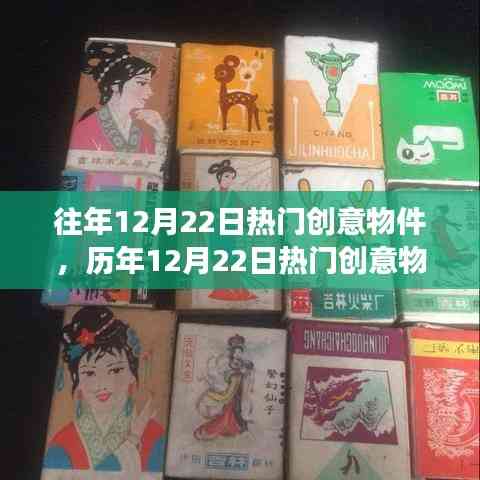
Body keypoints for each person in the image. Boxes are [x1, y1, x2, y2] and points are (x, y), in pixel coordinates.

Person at [44, 307, 164, 473]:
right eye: (89, 373)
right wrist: (133, 439)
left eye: (115, 370)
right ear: (77, 381)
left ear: (132, 373)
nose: (102, 384)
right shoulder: (61, 446)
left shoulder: (155, 438)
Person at [69, 41, 167, 154]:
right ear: (114, 85)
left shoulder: (140, 129)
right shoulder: (86, 128)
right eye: (141, 83)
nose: (150, 92)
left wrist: (160, 132)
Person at [207, 159, 258, 301]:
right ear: (219, 177)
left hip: (229, 232)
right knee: (218, 259)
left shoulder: (233, 195)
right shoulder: (212, 193)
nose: (229, 180)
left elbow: (243, 209)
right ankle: (220, 290)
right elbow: (202, 209)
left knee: (230, 259)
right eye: (226, 176)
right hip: (215, 232)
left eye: (231, 178)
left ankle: (236, 289)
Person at [194, 334, 255, 440]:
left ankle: (240, 427)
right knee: (230, 409)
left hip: (239, 388)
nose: (238, 354)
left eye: (240, 352)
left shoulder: (243, 362)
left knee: (239, 407)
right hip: (232, 387)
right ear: (232, 352)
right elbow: (225, 374)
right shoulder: (228, 362)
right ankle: (225, 428)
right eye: (236, 352)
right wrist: (235, 373)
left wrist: (245, 372)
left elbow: (248, 371)